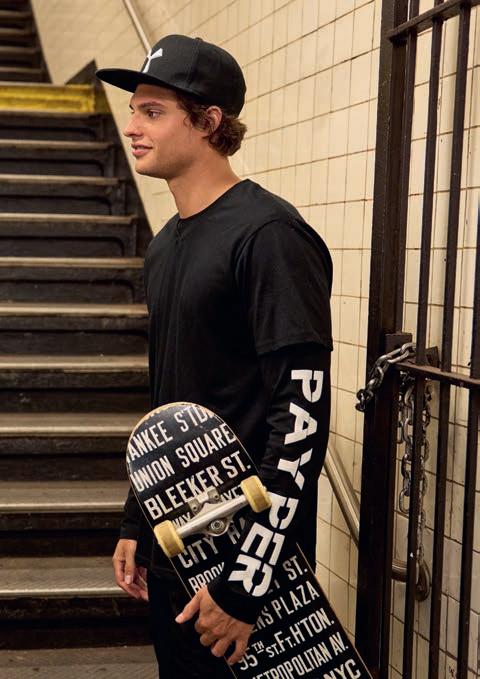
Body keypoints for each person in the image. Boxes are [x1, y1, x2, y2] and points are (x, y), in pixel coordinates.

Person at [96, 34, 332, 678]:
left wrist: (247, 586)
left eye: (153, 112)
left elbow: (301, 423)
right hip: (175, 544)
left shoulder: (269, 236)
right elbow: (169, 398)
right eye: (134, 110)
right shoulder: (164, 245)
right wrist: (138, 519)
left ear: (208, 122)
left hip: (243, 563)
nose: (132, 127)